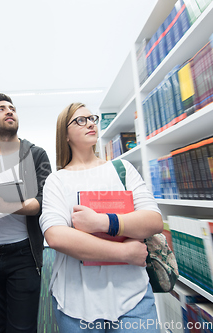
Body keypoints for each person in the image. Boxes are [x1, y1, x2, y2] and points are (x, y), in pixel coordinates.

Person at [39, 102, 164, 332]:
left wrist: (103, 221)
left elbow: (153, 220)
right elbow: (56, 236)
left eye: (92, 119)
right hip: (76, 302)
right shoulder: (56, 181)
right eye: (80, 120)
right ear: (64, 134)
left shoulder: (122, 168)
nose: (90, 124)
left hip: (132, 298)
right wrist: (124, 252)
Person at [0, 93, 52, 333]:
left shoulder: (36, 154)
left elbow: (42, 202)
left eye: (12, 108)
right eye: (1, 109)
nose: (9, 111)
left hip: (22, 256)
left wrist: (5, 207)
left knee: (21, 329)